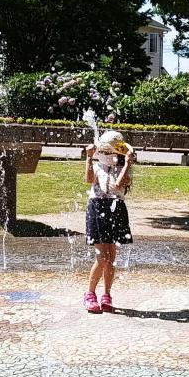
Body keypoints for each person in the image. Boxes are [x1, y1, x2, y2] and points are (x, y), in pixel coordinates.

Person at [83, 130, 134, 314]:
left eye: (107, 151)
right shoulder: (97, 167)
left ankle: (106, 295)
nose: (103, 154)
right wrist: (88, 158)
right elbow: (88, 179)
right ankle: (90, 294)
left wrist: (128, 164)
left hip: (116, 208)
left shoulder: (124, 168)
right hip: (97, 208)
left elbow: (119, 185)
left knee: (111, 258)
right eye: (102, 151)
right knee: (102, 256)